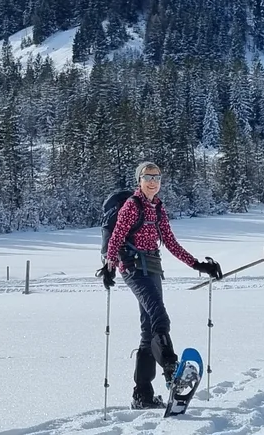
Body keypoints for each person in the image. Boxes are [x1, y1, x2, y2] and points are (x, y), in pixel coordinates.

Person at [97, 161, 222, 409]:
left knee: (148, 331)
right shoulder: (132, 206)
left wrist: (198, 265)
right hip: (133, 268)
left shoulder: (158, 209)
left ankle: (142, 394)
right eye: (147, 177)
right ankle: (171, 370)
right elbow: (116, 237)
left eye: (156, 177)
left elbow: (171, 243)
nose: (153, 182)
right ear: (139, 181)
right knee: (159, 315)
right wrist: (110, 265)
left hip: (153, 268)